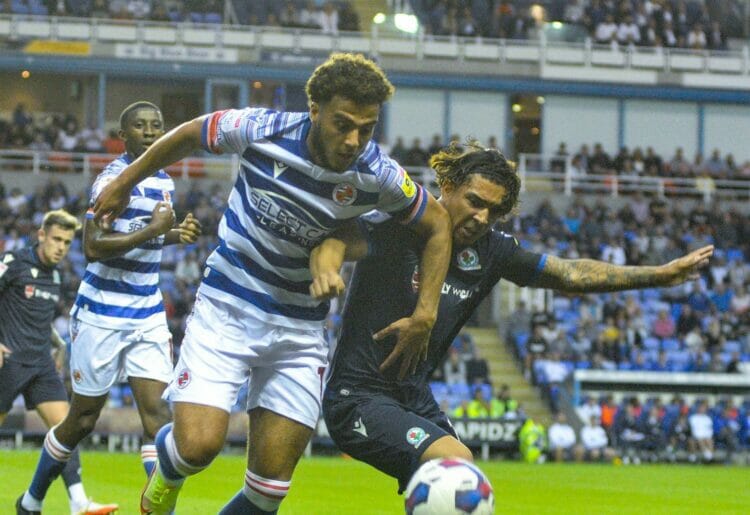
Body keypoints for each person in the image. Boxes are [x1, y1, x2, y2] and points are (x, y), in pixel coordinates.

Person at [90, 54, 451, 514]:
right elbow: (188, 134)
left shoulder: (377, 174)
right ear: (314, 110)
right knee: (197, 448)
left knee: (268, 489)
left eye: (366, 127)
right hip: (228, 306)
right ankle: (169, 465)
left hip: (299, 330)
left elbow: (437, 224)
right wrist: (124, 181)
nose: (354, 140)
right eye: (343, 124)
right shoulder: (261, 128)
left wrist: (426, 312)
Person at [310, 140, 713, 494]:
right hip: (357, 396)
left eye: (494, 210)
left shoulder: (492, 251)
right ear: (447, 188)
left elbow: (569, 274)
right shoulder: (399, 226)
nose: (483, 217)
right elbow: (338, 238)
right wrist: (328, 268)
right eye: (475, 201)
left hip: (412, 397)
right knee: (455, 467)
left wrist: (659, 276)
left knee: (463, 488)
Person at [17, 102, 202, 514]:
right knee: (82, 420)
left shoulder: (165, 183)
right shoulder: (111, 183)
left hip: (147, 313)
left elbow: (142, 236)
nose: (151, 132)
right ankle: (29, 501)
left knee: (157, 416)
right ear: (124, 135)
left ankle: (159, 509)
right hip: (101, 313)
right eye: (140, 126)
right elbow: (92, 247)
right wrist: (156, 229)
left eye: (157, 125)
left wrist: (173, 235)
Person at [1, 210, 118, 515]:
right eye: (56, 239)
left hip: (41, 364)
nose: (61, 247)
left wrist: (60, 345)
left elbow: (39, 318)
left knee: (65, 430)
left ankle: (78, 502)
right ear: (41, 235)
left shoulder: (56, 275)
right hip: (9, 362)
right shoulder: (14, 263)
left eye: (66, 242)